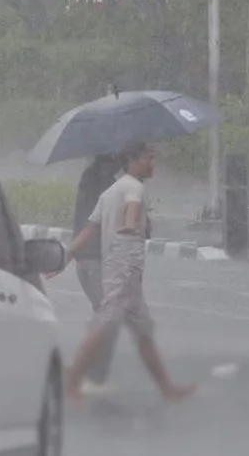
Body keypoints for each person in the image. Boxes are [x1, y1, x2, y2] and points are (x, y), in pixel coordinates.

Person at [53, 141, 194, 404]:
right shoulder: (134, 188)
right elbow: (129, 213)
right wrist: (131, 224)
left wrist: (66, 255)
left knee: (143, 332)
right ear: (134, 160)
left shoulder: (110, 191)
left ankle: (166, 388)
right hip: (123, 271)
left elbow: (90, 227)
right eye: (149, 158)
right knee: (104, 326)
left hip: (125, 273)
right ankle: (72, 381)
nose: (153, 164)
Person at [71, 153, 124, 393]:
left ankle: (91, 373)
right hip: (96, 259)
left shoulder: (91, 176)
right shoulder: (106, 183)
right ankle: (91, 375)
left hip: (87, 259)